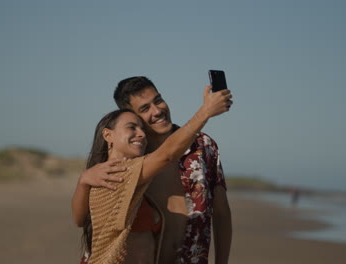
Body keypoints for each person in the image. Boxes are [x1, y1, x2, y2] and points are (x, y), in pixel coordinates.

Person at [75, 77, 233, 263]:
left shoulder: (203, 146)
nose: (157, 111)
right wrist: (84, 180)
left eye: (158, 100)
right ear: (132, 116)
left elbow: (221, 211)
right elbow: (83, 219)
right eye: (144, 109)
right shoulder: (130, 158)